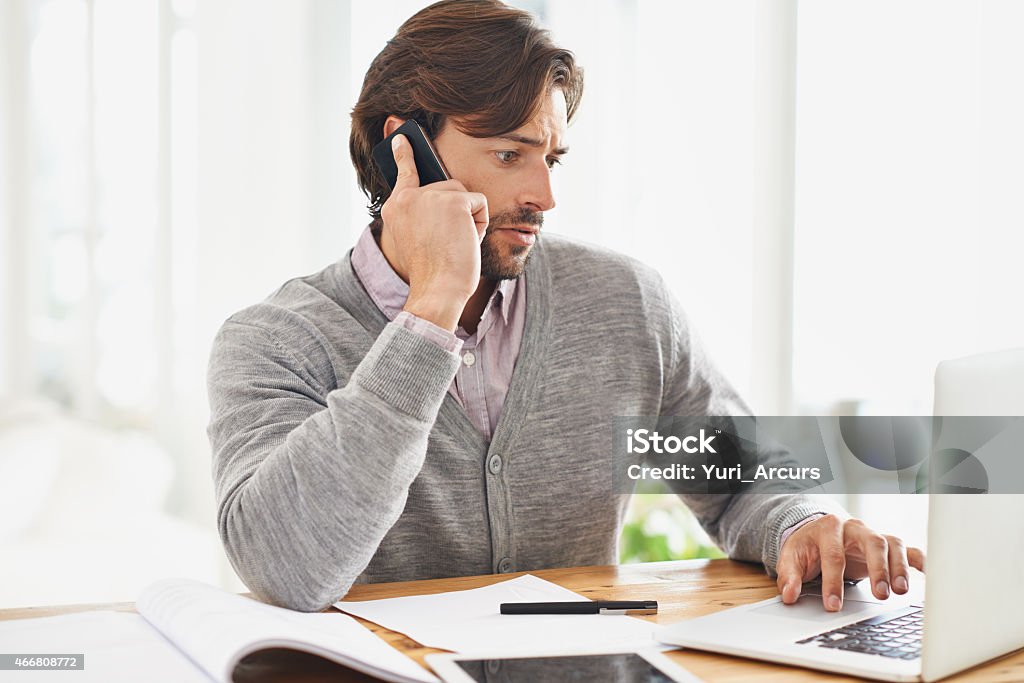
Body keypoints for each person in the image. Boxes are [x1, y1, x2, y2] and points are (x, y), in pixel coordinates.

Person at [206, 0, 924, 613]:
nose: (546, 198)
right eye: (511, 156)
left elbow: (740, 482)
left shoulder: (624, 302)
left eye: (551, 160)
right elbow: (287, 568)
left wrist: (800, 525)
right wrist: (429, 312)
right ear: (406, 149)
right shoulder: (275, 341)